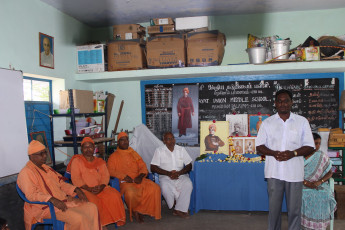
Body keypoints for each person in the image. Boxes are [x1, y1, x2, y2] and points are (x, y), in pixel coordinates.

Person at [256, 89, 315, 230]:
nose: (283, 104)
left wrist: (293, 153)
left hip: (294, 173)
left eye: (286, 101)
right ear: (275, 103)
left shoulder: (301, 122)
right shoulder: (267, 123)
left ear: (291, 102)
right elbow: (259, 147)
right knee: (274, 210)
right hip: (274, 173)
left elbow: (310, 146)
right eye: (280, 101)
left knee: (294, 211)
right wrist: (274, 153)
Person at [17, 140, 100, 230]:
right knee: (78, 218)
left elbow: (61, 184)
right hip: (44, 208)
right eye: (41, 154)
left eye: (45, 153)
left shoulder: (46, 168)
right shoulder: (26, 172)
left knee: (92, 208)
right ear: (31, 156)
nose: (45, 156)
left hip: (62, 201)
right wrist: (51, 199)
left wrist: (76, 189)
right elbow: (31, 194)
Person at [67, 137, 126, 229]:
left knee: (114, 195)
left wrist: (101, 186)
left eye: (90, 147)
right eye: (85, 147)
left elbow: (105, 176)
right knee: (94, 203)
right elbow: (76, 179)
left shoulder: (100, 161)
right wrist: (89, 188)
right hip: (84, 189)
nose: (88, 149)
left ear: (94, 148)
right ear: (81, 149)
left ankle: (109, 220)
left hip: (100, 188)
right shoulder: (77, 161)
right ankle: (101, 225)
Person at [107, 132, 161, 223]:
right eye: (122, 140)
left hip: (138, 179)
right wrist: (123, 176)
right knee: (131, 193)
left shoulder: (133, 153)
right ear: (118, 142)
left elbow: (143, 167)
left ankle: (147, 210)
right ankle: (135, 211)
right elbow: (110, 171)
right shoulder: (113, 156)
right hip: (126, 182)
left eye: (126, 139)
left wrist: (140, 177)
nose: (125, 142)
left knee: (155, 188)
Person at [151, 132, 193, 219]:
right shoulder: (159, 150)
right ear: (164, 141)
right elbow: (153, 167)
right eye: (168, 139)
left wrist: (179, 173)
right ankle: (177, 206)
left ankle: (178, 209)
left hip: (180, 174)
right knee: (165, 187)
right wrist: (168, 173)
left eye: (173, 138)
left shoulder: (181, 149)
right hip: (165, 175)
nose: (172, 141)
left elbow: (189, 165)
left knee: (188, 184)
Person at [301, 133, 336, 230]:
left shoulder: (321, 156)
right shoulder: (300, 156)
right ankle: (307, 225)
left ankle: (319, 226)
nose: (317, 146)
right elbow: (294, 174)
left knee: (325, 195)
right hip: (302, 184)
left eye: (319, 144)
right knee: (305, 195)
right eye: (315, 143)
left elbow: (330, 172)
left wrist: (319, 181)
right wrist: (306, 183)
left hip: (319, 184)